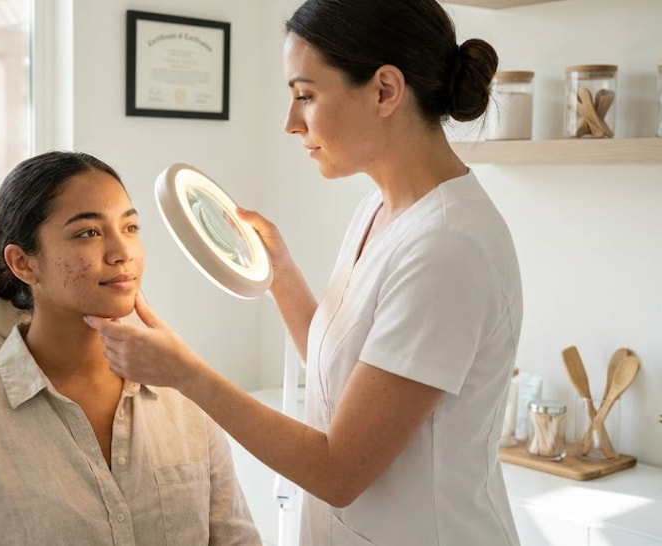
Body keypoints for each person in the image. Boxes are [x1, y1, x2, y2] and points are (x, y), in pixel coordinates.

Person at [85, 1, 523, 545]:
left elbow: (340, 471)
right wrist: (283, 277)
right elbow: (340, 377)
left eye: (306, 96)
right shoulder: (379, 211)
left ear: (385, 90)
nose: (291, 124)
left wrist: (187, 375)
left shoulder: (449, 246)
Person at [0, 151, 261, 545]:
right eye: (89, 232)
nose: (123, 252)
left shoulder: (186, 397)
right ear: (23, 264)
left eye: (131, 226)